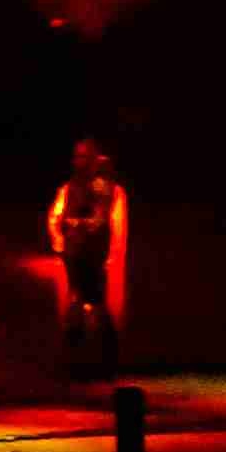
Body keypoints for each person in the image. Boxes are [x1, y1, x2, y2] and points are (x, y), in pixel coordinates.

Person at [46, 139, 132, 376]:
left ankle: (102, 362)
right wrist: (61, 241)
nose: (79, 162)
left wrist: (111, 253)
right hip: (75, 255)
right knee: (78, 305)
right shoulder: (69, 189)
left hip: (94, 257)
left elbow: (105, 222)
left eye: (84, 157)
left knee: (94, 306)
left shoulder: (106, 188)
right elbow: (56, 217)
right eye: (77, 157)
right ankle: (77, 363)